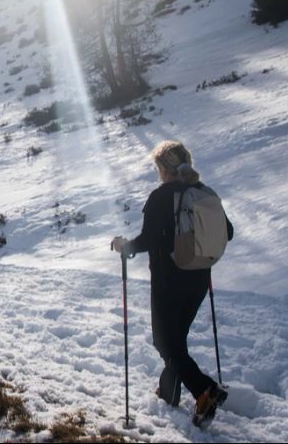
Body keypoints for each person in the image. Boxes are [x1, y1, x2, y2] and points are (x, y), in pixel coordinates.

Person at [111, 140, 233, 425]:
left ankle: (205, 389)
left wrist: (122, 246)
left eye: (158, 168)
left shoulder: (161, 196)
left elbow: (148, 240)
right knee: (176, 340)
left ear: (164, 169)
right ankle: (169, 391)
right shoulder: (203, 192)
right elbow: (228, 231)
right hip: (200, 278)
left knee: (165, 342)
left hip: (170, 280)